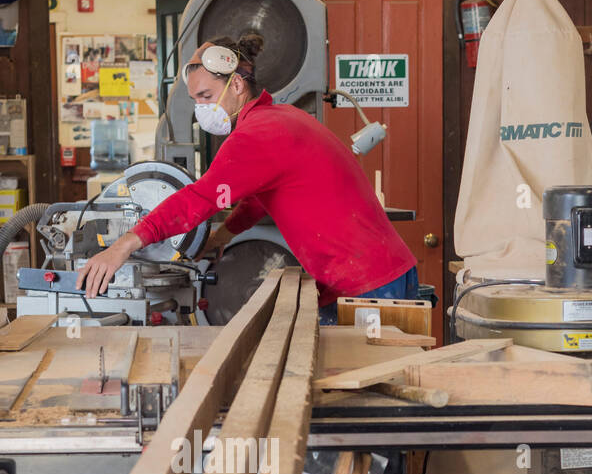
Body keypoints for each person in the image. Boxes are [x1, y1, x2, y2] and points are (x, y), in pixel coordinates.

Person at [77, 31, 418, 321]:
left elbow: (200, 198)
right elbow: (258, 200)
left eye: (206, 97)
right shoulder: (282, 117)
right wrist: (220, 238)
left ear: (236, 84)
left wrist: (122, 246)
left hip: (369, 285)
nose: (201, 110)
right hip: (372, 273)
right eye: (196, 100)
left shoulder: (257, 134)